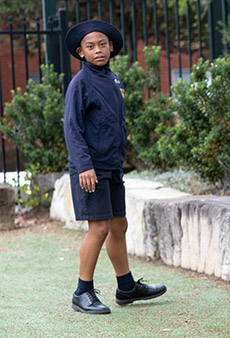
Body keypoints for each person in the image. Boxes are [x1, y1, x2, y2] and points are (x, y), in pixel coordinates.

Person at [63, 20, 166, 314]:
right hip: (90, 169)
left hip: (111, 167)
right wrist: (84, 165)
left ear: (111, 48)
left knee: (119, 225)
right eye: (91, 46)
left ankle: (126, 286)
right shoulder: (80, 83)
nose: (98, 50)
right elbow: (72, 128)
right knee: (99, 229)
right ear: (81, 52)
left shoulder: (113, 80)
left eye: (103, 45)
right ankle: (82, 293)